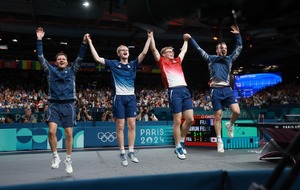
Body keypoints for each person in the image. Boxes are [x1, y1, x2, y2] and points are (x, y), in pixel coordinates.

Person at [87, 31, 151, 166]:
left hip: (131, 98)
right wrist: (90, 43)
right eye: (122, 50)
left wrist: (149, 38)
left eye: (126, 50)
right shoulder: (113, 64)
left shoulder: (133, 64)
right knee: (120, 126)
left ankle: (131, 152)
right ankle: (122, 153)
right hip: (119, 98)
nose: (125, 51)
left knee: (132, 125)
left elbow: (144, 53)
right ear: (118, 54)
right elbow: (97, 58)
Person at [36, 27, 89, 174]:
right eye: (59, 59)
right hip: (54, 105)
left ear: (67, 62)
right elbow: (40, 57)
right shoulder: (50, 71)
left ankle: (68, 160)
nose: (61, 60)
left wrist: (84, 43)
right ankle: (55, 157)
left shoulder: (73, 71)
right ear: (56, 62)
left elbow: (80, 57)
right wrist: (39, 39)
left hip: (69, 105)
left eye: (63, 59)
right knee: (52, 132)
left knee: (68, 134)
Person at [186, 25, 242, 153]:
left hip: (227, 89)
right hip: (215, 90)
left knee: (237, 112)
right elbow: (199, 49)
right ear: (217, 50)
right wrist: (191, 38)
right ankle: (219, 140)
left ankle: (230, 125)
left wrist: (238, 35)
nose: (224, 50)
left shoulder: (229, 59)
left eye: (226, 48)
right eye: (222, 48)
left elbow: (239, 48)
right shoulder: (211, 59)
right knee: (218, 116)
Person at [149, 32, 194, 160]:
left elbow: (183, 51)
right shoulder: (162, 61)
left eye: (172, 51)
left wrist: (186, 40)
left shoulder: (177, 61)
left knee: (190, 119)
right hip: (174, 91)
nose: (171, 53)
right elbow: (153, 49)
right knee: (177, 120)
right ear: (164, 54)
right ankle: (177, 146)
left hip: (184, 90)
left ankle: (181, 140)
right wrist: (151, 37)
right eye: (168, 51)